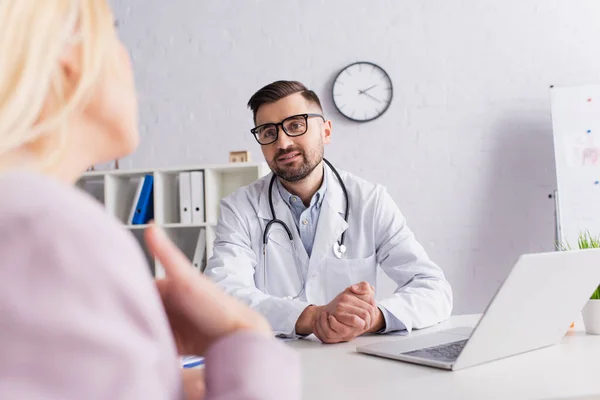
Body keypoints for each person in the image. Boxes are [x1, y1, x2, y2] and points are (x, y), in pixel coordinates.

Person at [0, 2, 299, 399]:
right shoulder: (53, 232)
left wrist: (165, 385)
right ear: (67, 54)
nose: (128, 60)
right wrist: (244, 337)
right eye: (114, 32)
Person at [204, 80, 453, 343]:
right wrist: (312, 317)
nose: (283, 142)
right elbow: (221, 294)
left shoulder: (370, 201)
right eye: (268, 132)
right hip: (275, 363)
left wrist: (372, 317)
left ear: (326, 131)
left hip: (352, 365)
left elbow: (434, 289)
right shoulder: (240, 208)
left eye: (296, 125)